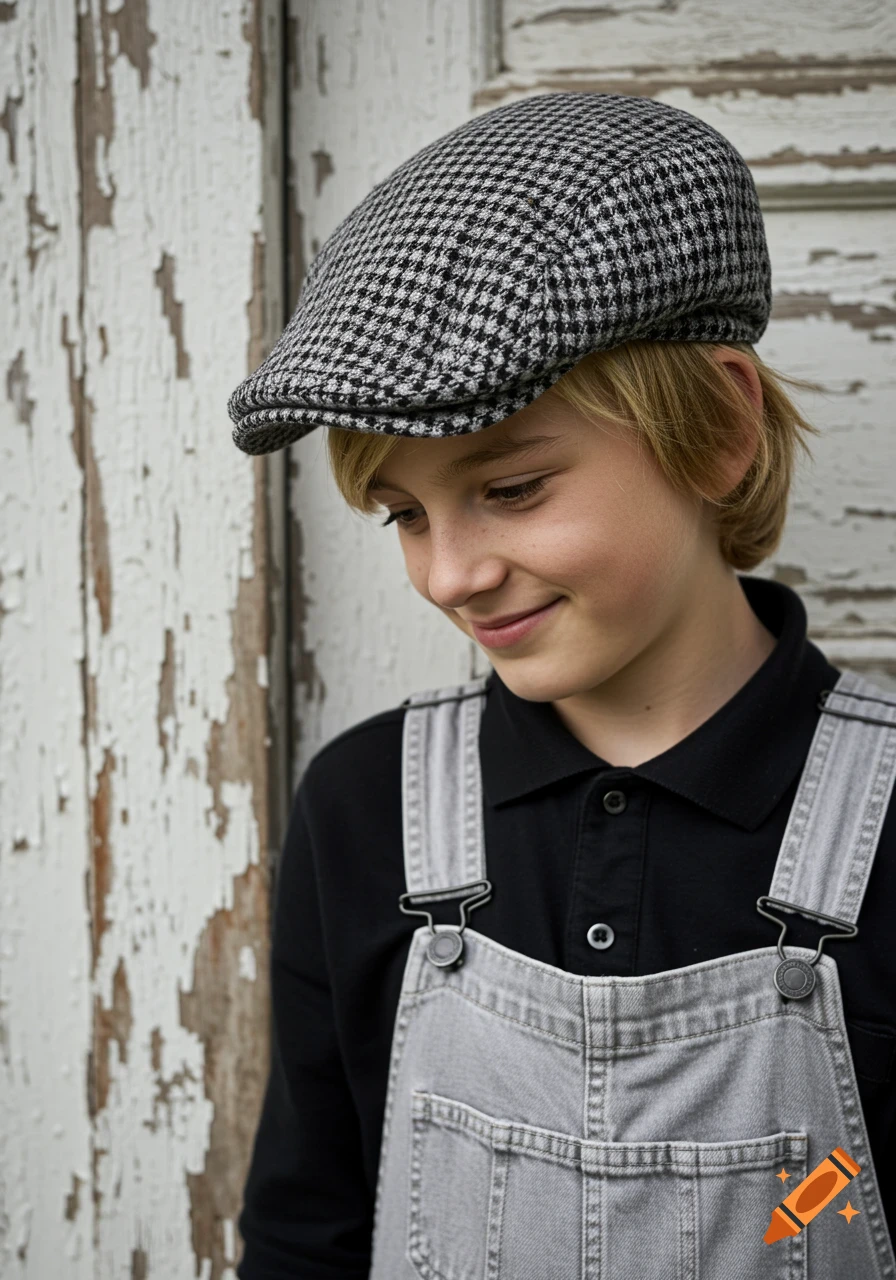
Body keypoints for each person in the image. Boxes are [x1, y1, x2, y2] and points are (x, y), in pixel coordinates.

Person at [227, 92, 896, 1278]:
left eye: (514, 487)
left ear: (722, 427)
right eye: (405, 513)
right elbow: (307, 1227)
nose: (451, 572)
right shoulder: (363, 806)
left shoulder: (885, 815)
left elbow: (849, 1196)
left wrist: (783, 1217)